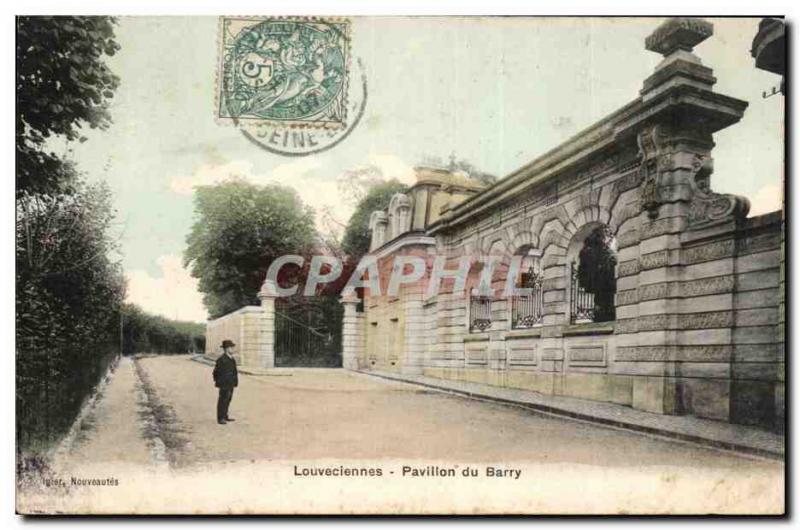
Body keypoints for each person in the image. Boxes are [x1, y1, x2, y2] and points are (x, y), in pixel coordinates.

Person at [213, 340, 239, 425]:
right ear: (226, 349)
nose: (232, 349)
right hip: (224, 383)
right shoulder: (221, 359)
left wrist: (235, 382)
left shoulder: (231, 359)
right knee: (222, 400)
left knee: (228, 400)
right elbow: (216, 372)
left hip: (230, 383)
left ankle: (225, 415)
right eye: (231, 347)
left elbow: (234, 371)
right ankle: (220, 418)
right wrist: (220, 382)